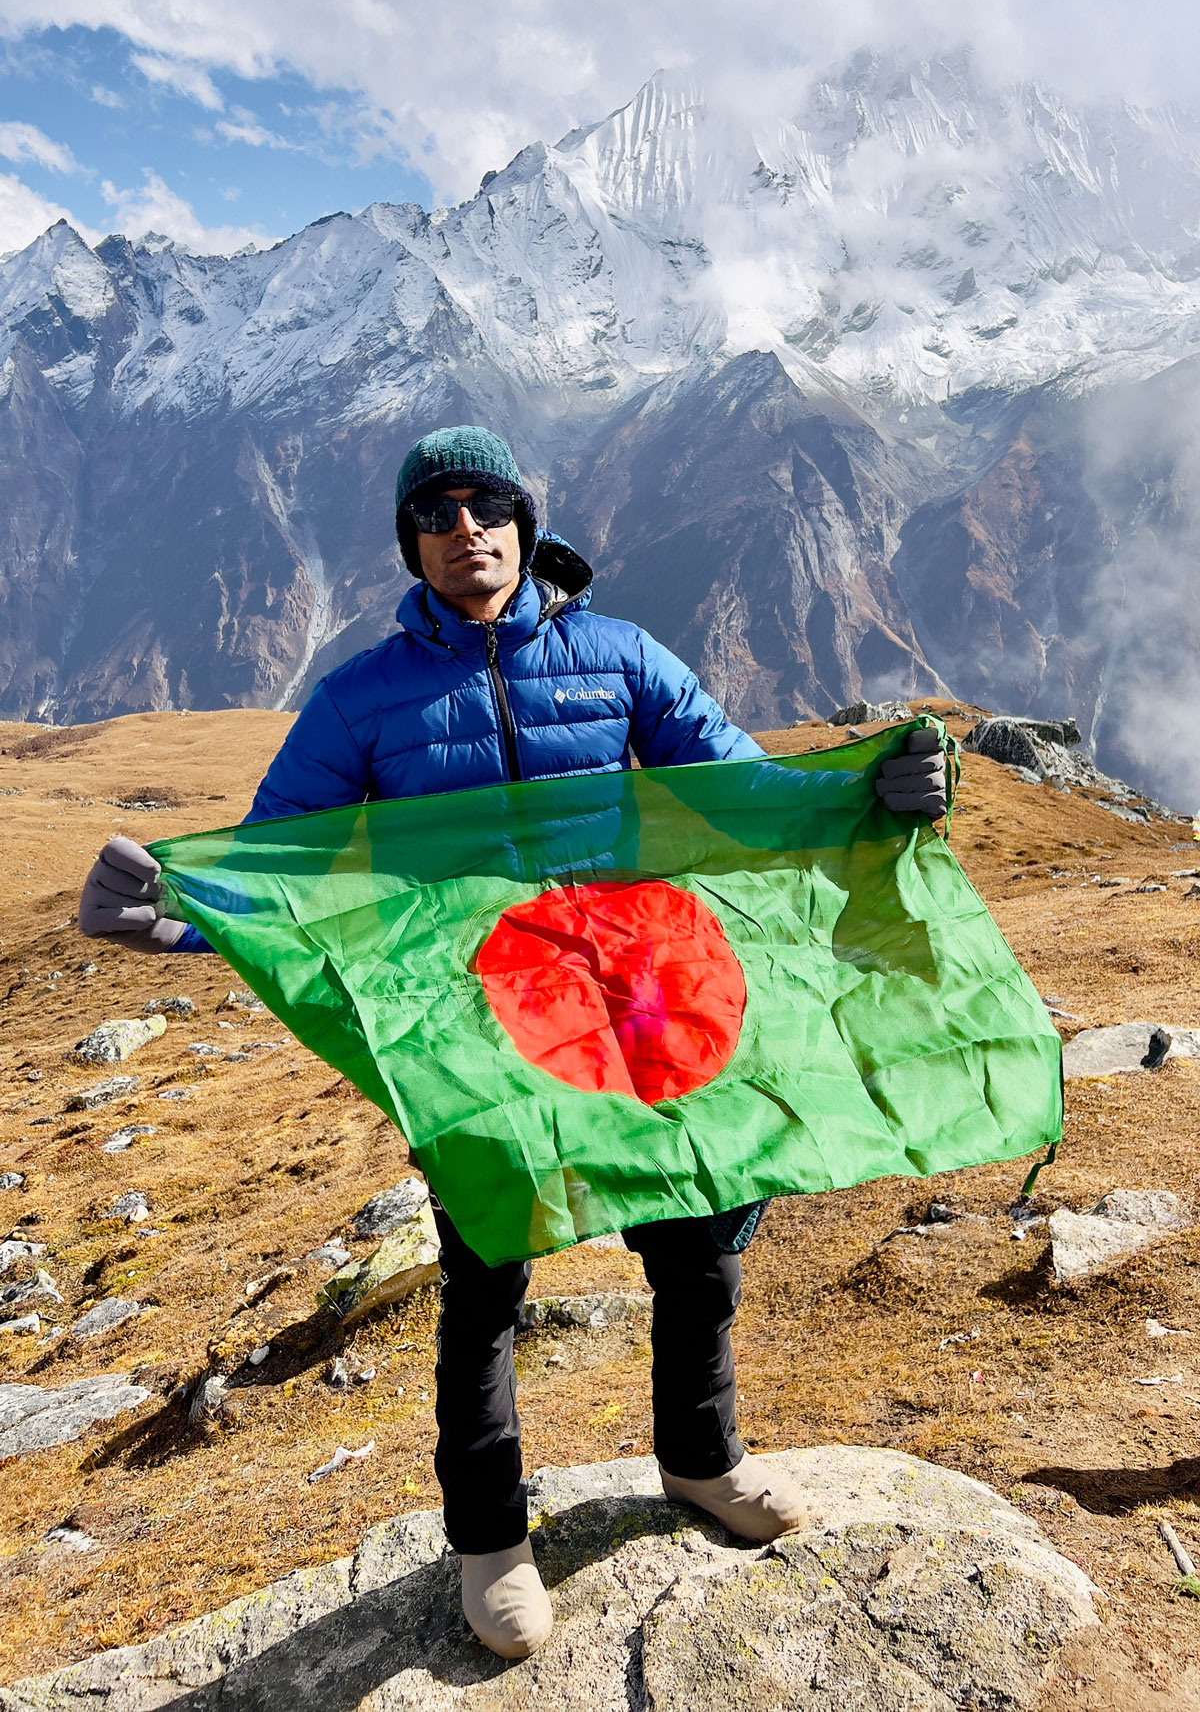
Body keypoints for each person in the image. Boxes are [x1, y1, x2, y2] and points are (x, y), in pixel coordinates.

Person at [79, 424, 946, 1661]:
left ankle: (702, 1461)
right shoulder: (362, 698)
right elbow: (282, 868)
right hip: (472, 1025)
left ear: (527, 522)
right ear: (412, 544)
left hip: (635, 1000)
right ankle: (489, 1542)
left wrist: (874, 790)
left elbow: (740, 787)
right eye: (435, 512)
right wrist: (170, 914)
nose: (463, 527)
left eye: (486, 503)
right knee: (484, 1279)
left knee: (698, 1235)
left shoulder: (618, 656)